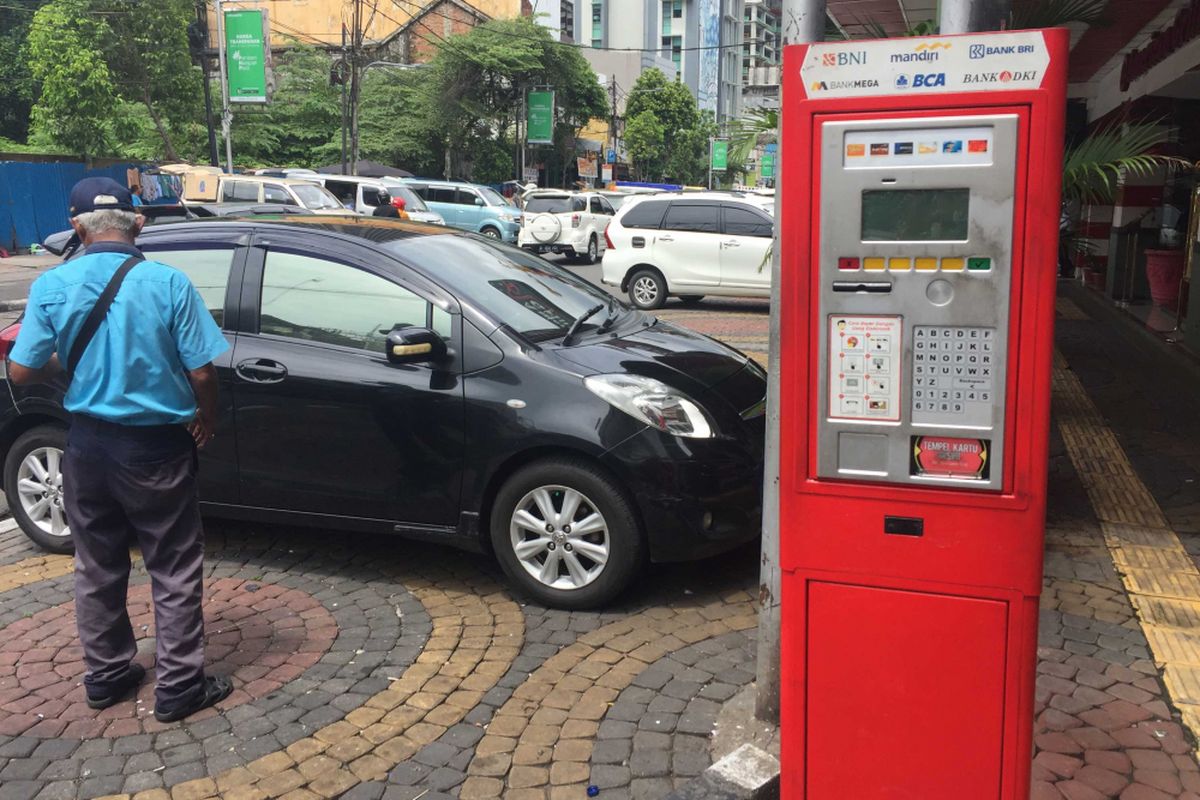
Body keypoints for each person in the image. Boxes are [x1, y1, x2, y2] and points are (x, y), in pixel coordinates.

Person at [7, 177, 233, 722]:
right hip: (156, 446)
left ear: (76, 225)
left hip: (84, 445)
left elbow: (21, 370)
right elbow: (202, 370)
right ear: (140, 223)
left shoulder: (52, 285)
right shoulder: (168, 283)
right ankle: (179, 687)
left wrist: (77, 362)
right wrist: (207, 416)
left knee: (97, 563)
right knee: (173, 565)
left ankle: (106, 675)